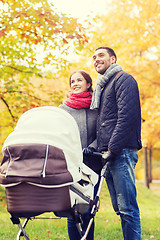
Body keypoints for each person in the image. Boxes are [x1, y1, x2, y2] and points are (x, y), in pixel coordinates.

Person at [90, 47, 142, 240]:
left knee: (128, 208)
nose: (96, 60)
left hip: (121, 151)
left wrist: (112, 148)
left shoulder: (123, 79)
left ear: (112, 59)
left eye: (101, 55)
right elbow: (105, 124)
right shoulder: (104, 87)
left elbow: (127, 117)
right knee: (120, 208)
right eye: (94, 57)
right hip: (109, 154)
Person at [59, 70, 99, 240]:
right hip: (70, 163)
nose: (75, 83)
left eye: (79, 80)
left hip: (93, 163)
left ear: (88, 84)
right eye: (72, 81)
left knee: (88, 209)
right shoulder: (62, 109)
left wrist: (92, 147)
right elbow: (59, 134)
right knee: (72, 209)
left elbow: (102, 132)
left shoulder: (96, 107)